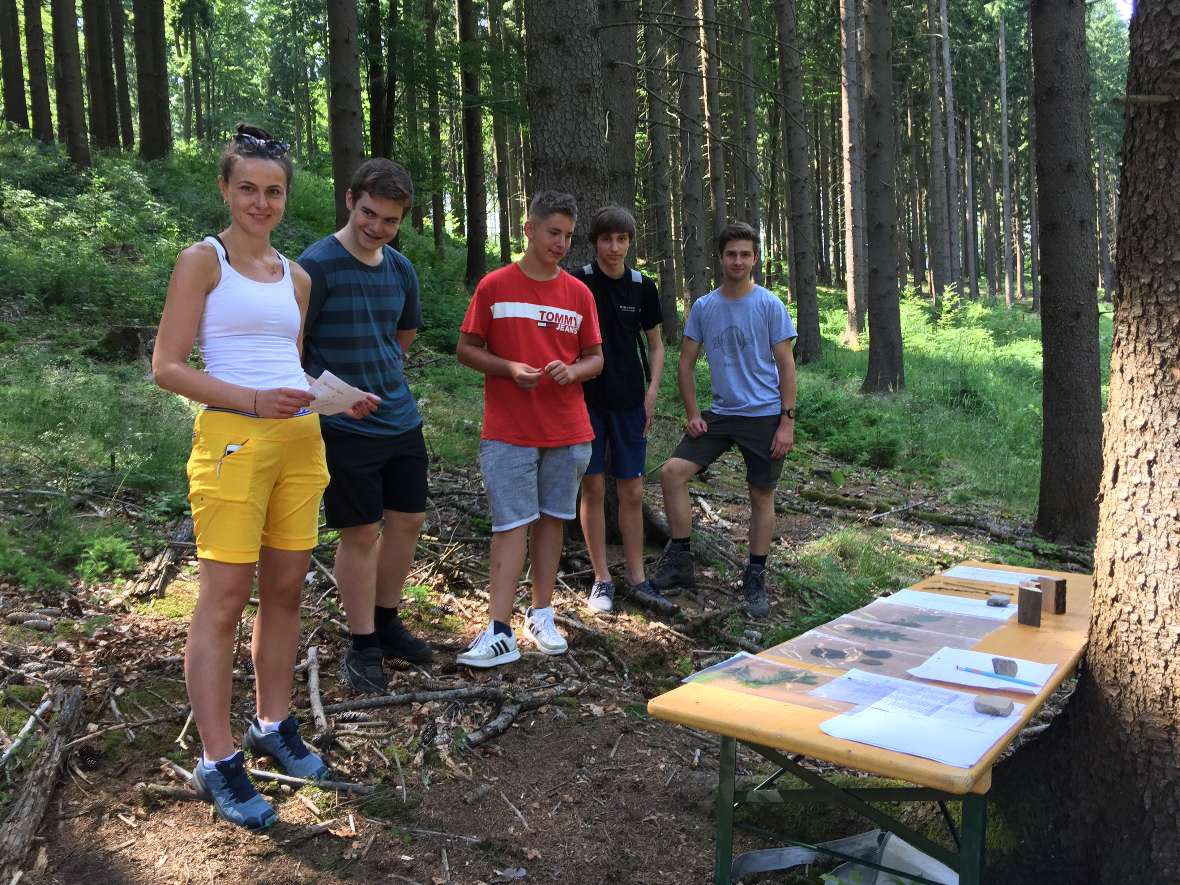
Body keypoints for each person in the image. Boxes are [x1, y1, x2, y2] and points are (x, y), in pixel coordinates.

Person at [152, 124, 378, 829]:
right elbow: (167, 365)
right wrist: (251, 400)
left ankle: (272, 722)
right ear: (225, 187)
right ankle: (217, 759)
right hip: (232, 443)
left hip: (300, 441)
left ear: (287, 197)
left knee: (285, 591)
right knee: (223, 598)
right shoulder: (203, 260)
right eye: (247, 187)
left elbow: (285, 365)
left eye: (273, 190)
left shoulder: (297, 275)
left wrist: (329, 393)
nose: (260, 201)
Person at [299, 159, 433, 695]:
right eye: (369, 214)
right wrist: (334, 395)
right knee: (359, 532)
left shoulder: (400, 269)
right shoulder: (316, 266)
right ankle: (361, 645)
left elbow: (403, 335)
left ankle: (386, 619)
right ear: (350, 199)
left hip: (400, 418)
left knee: (407, 522)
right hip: (343, 426)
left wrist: (378, 375)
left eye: (390, 220)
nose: (377, 228)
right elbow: (294, 345)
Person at [455, 190, 603, 667]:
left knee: (552, 521)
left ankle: (541, 614)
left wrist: (573, 371)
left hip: (567, 428)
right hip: (508, 429)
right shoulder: (495, 286)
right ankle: (498, 630)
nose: (560, 243)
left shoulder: (579, 293)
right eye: (552, 232)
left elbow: (595, 358)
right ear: (529, 229)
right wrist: (508, 368)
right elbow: (466, 349)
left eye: (567, 236)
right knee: (510, 524)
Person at [649, 222, 797, 618]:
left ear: (754, 258)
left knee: (760, 495)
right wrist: (693, 414)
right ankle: (681, 561)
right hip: (719, 415)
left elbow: (786, 365)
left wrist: (786, 421)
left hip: (764, 415)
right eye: (731, 253)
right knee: (672, 473)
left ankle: (755, 576)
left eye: (745, 254)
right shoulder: (704, 307)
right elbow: (685, 365)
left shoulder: (769, 305)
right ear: (721, 257)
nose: (738, 260)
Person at [570, 206, 672, 615]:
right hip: (587, 402)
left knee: (631, 490)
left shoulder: (642, 287)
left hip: (631, 405)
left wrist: (651, 393)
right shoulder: (577, 282)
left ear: (631, 242)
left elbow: (656, 345)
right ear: (595, 241)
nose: (614, 248)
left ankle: (638, 577)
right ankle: (601, 579)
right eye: (606, 239)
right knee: (593, 488)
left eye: (622, 239)